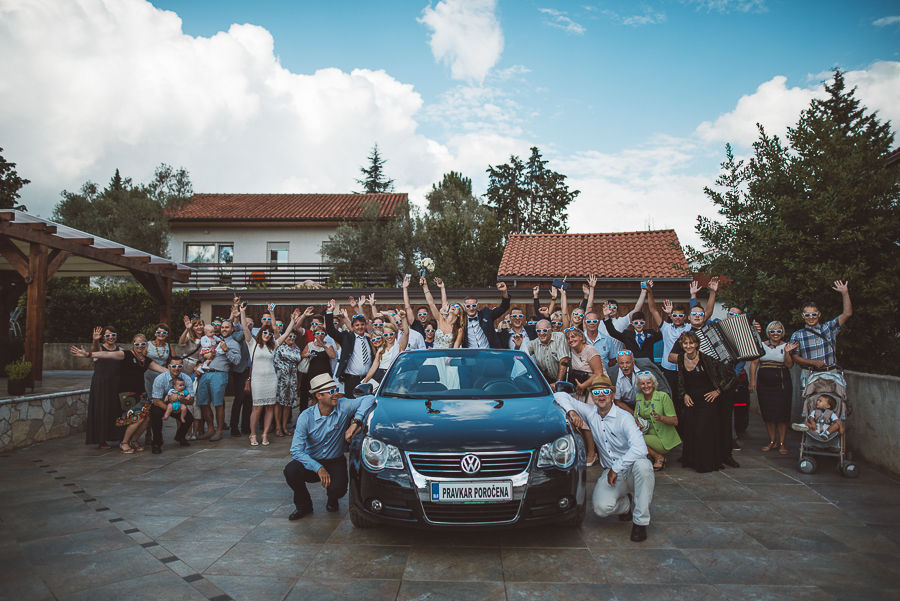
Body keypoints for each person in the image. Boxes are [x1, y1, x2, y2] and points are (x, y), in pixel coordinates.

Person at [555, 374, 654, 543]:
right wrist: (572, 412)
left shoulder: (625, 418)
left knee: (644, 466)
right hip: (612, 473)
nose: (601, 395)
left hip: (631, 469)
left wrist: (617, 467)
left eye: (606, 391)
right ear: (592, 395)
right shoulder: (590, 412)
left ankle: (640, 522)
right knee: (601, 508)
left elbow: (640, 448)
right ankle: (626, 506)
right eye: (597, 391)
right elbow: (559, 395)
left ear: (612, 395)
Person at [283, 374, 376, 519]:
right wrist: (318, 468)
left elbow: (369, 398)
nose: (336, 394)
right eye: (331, 391)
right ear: (319, 396)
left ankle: (332, 498)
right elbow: (295, 450)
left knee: (339, 490)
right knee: (291, 471)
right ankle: (304, 505)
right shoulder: (306, 417)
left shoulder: (343, 406)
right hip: (311, 461)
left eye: (336, 390)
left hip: (334, 460)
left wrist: (355, 423)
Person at [677, 332, 738, 472]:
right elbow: (681, 378)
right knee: (691, 430)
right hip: (691, 400)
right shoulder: (681, 357)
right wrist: (684, 394)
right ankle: (692, 459)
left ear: (697, 344)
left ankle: (706, 463)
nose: (688, 346)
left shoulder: (707, 358)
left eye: (691, 343)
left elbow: (731, 375)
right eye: (685, 343)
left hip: (707, 400)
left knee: (702, 431)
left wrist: (718, 390)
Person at [241, 305, 296, 446]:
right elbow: (245, 328)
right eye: (265, 333)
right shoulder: (252, 343)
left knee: (270, 407)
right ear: (260, 333)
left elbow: (286, 332)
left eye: (269, 333)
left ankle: (265, 434)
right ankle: (253, 434)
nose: (267, 335)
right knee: (257, 408)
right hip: (257, 380)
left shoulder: (274, 345)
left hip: (272, 379)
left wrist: (292, 321)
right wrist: (242, 312)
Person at [749, 321, 798, 455]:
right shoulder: (761, 345)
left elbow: (789, 365)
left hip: (782, 383)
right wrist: (752, 380)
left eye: (778, 331)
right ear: (768, 332)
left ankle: (782, 442)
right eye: (773, 331)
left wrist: (787, 353)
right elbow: (754, 363)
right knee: (768, 413)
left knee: (782, 413)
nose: (776, 333)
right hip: (764, 383)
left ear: (782, 332)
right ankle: (772, 441)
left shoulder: (787, 346)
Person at [789, 281, 852, 383]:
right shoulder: (797, 335)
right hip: (809, 374)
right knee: (811, 400)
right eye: (807, 315)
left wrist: (845, 293)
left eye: (814, 314)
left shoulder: (829, 327)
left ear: (819, 314)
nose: (811, 317)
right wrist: (812, 362)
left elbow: (847, 314)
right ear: (803, 316)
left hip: (831, 374)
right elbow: (794, 358)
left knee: (832, 399)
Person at [564, 327, 605, 466]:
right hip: (581, 387)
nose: (571, 340)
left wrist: (583, 386)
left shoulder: (590, 350)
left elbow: (598, 372)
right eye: (569, 338)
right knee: (576, 419)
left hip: (596, 386)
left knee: (587, 421)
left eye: (574, 336)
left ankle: (592, 454)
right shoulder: (572, 351)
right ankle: (584, 450)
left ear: (581, 337)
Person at [195, 317, 241, 441]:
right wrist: (203, 358)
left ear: (232, 329)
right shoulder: (212, 340)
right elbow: (202, 357)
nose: (224, 329)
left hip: (219, 374)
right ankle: (210, 429)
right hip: (205, 373)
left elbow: (237, 361)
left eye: (227, 327)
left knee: (218, 403)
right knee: (203, 402)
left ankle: (219, 431)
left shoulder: (233, 343)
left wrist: (226, 350)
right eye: (222, 327)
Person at [81, 326, 126, 449]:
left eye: (113, 335)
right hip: (101, 383)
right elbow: (95, 349)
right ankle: (101, 440)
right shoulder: (99, 348)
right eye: (107, 336)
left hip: (115, 383)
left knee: (116, 409)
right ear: (104, 337)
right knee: (101, 410)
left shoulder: (120, 350)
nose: (111, 337)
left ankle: (118, 437)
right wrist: (95, 340)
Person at [633, 371, 680, 471]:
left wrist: (661, 418)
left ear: (654, 384)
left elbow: (675, 421)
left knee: (637, 440)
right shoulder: (639, 397)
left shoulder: (663, 396)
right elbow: (635, 416)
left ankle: (659, 457)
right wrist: (637, 423)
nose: (646, 386)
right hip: (646, 432)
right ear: (638, 386)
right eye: (642, 383)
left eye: (649, 383)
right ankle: (650, 457)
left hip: (662, 437)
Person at [326, 299, 373, 398]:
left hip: (368, 379)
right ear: (352, 326)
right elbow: (331, 331)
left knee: (366, 406)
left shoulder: (370, 339)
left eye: (362, 325)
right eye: (357, 325)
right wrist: (330, 311)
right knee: (351, 407)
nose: (360, 327)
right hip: (351, 380)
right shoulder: (346, 337)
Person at [149, 356, 195, 453]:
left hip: (178, 403)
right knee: (155, 414)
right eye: (173, 366)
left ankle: (180, 437)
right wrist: (170, 410)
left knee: (189, 418)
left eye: (179, 366)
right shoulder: (160, 378)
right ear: (168, 366)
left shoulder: (186, 378)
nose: (176, 368)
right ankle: (157, 442)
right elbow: (156, 400)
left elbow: (191, 400)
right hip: (161, 403)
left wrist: (178, 398)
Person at [274, 309, 305, 436]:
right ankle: (277, 427)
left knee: (288, 403)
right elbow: (276, 331)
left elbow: (298, 364)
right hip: (280, 378)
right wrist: (293, 320)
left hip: (292, 378)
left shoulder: (297, 348)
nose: (291, 338)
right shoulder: (279, 346)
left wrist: (298, 380)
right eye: (289, 336)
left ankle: (284, 426)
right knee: (279, 402)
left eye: (293, 336)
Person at [363, 315, 410, 386]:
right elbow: (374, 366)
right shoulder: (381, 349)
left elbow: (406, 333)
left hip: (393, 374)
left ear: (395, 334)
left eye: (391, 334)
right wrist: (365, 381)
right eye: (386, 335)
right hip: (379, 375)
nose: (388, 337)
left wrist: (403, 318)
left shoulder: (399, 347)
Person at [461, 282, 510, 348]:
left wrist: (504, 292)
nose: (471, 308)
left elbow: (503, 307)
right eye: (468, 306)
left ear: (477, 305)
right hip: (471, 356)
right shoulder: (461, 319)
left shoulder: (486, 314)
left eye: (474, 305)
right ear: (464, 306)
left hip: (488, 354)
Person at [420, 277, 463, 348]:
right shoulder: (440, 319)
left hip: (448, 358)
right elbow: (431, 303)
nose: (454, 307)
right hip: (435, 355)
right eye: (453, 305)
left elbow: (455, 349)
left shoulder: (459, 330)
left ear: (459, 314)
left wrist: (450, 359)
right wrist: (425, 286)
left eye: (457, 307)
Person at [526, 319, 568, 384]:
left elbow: (564, 360)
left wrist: (558, 383)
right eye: (538, 331)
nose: (541, 333)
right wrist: (517, 346)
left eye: (545, 330)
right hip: (547, 379)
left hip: (564, 379)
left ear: (551, 330)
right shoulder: (534, 343)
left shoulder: (559, 337)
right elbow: (520, 356)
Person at [144, 324, 171, 399]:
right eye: (158, 332)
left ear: (167, 335)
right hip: (148, 375)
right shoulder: (147, 344)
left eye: (164, 332)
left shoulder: (169, 346)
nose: (161, 334)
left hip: (162, 375)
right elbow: (141, 358)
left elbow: (174, 359)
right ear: (155, 333)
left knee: (161, 397)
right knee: (149, 397)